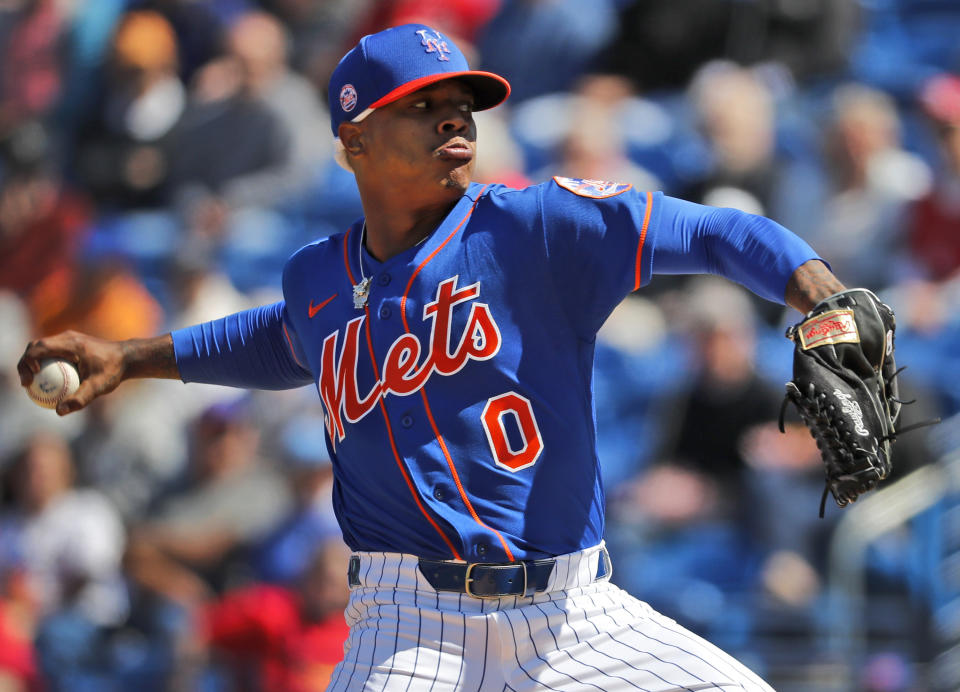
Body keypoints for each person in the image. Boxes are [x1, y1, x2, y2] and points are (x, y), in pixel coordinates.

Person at [19, 24, 851, 690]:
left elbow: (713, 232)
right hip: (408, 629)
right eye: (422, 105)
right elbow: (280, 339)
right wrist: (131, 357)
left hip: (577, 614)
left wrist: (821, 292)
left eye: (463, 103)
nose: (454, 118)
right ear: (353, 139)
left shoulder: (534, 227)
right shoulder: (319, 277)